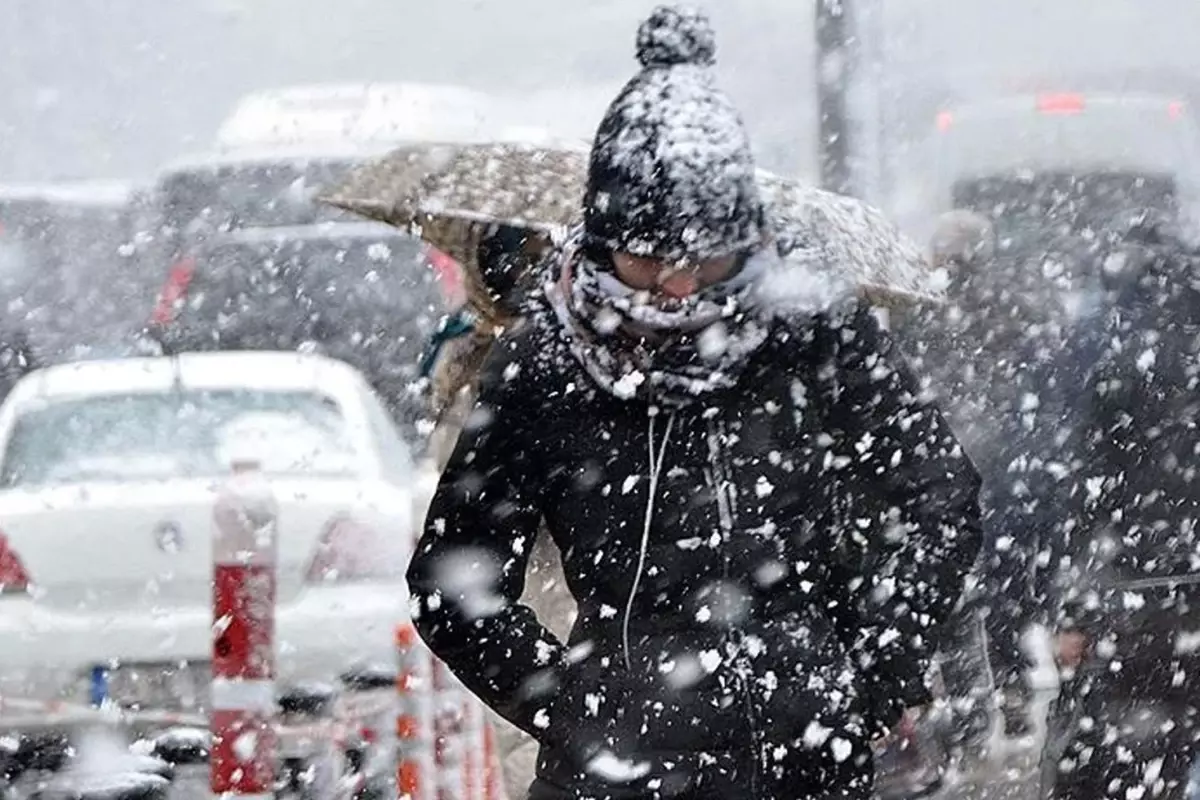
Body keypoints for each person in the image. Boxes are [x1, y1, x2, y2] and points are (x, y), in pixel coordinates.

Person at [406, 6, 982, 799]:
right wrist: (572, 706)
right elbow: (452, 581)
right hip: (613, 773)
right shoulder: (546, 362)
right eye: (647, 260)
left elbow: (938, 494)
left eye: (704, 260)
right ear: (602, 240)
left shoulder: (813, 332)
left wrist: (875, 667)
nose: (677, 287)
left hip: (806, 762)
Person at [1040, 213, 1200, 800]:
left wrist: (1074, 612)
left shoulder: (1114, 360)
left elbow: (1086, 490)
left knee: (1122, 756)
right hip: (1179, 587)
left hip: (1130, 595)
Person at [420, 222, 578, 800]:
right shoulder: (483, 357)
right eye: (514, 268)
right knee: (539, 747)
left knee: (539, 745)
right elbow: (460, 482)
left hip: (554, 590)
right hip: (534, 589)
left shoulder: (472, 352)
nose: (523, 281)